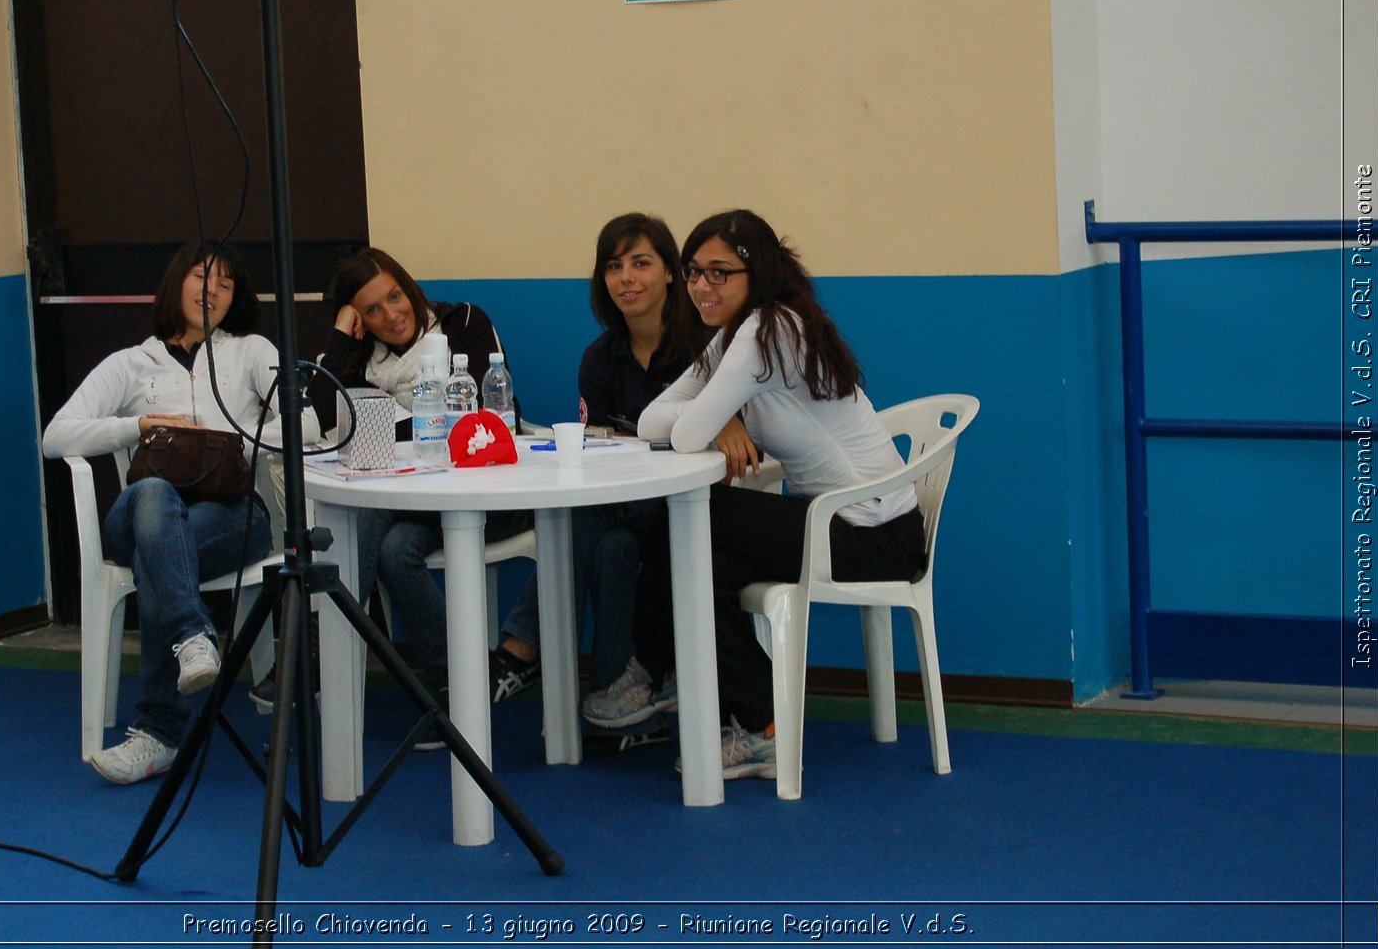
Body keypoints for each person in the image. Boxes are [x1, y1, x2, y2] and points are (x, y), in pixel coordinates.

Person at [581, 209, 926, 780]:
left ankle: (662, 670)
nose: (701, 286)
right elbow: (649, 421)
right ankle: (758, 721)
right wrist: (717, 420)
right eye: (694, 272)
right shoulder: (733, 338)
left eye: (720, 272)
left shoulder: (771, 329)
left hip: (872, 535)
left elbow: (682, 429)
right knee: (699, 555)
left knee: (698, 516)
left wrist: (707, 422)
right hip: (834, 523)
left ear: (757, 273)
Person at [43, 243, 319, 784]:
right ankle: (194, 636)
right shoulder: (129, 364)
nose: (212, 289)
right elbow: (56, 436)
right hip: (141, 512)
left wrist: (227, 441)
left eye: (226, 283)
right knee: (153, 498)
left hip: (231, 514)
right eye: (202, 275)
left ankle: (159, 735)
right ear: (177, 284)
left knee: (160, 554)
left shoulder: (251, 351)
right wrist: (139, 427)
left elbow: (306, 426)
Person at [487, 213, 697, 753]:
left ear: (671, 272)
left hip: (692, 509)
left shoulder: (706, 348)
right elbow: (602, 446)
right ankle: (620, 714)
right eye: (614, 266)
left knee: (580, 519)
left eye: (641, 263)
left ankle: (519, 649)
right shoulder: (599, 359)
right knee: (611, 547)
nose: (627, 277)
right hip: (625, 510)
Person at [307, 248, 529, 748]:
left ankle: (320, 656)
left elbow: (481, 417)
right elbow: (327, 416)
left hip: (484, 491)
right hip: (413, 504)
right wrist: (341, 337)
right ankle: (458, 686)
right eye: (371, 311)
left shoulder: (464, 322)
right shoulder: (364, 356)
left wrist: (384, 426)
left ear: (408, 286)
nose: (391, 315)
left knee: (362, 511)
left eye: (393, 296)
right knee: (390, 549)